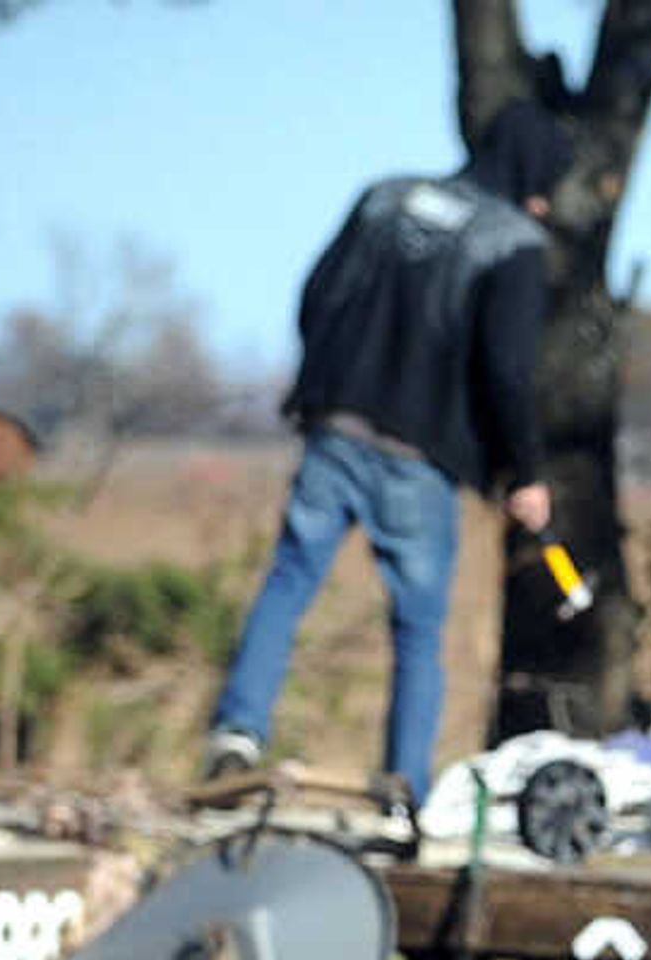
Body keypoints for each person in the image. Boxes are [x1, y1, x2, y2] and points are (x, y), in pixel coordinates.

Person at [202, 101, 571, 809]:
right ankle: (405, 786)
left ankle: (237, 734)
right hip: (418, 457)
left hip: (335, 427)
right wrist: (523, 472)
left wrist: (320, 385)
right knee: (418, 625)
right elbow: (508, 370)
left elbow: (316, 296)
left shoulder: (386, 196)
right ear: (532, 178)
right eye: (546, 187)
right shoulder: (513, 243)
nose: (544, 203)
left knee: (288, 582)